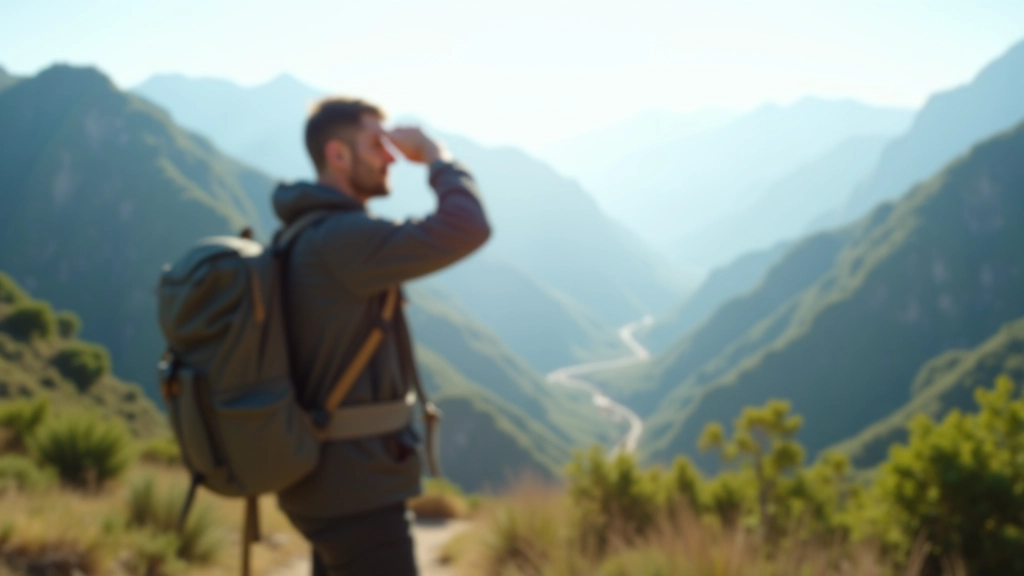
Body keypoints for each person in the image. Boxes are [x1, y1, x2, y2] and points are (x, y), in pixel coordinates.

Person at [271, 98, 491, 575]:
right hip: (357, 492)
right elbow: (468, 227)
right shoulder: (343, 239)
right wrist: (437, 158)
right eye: (377, 143)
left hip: (328, 482)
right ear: (338, 155)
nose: (391, 155)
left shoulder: (303, 233)